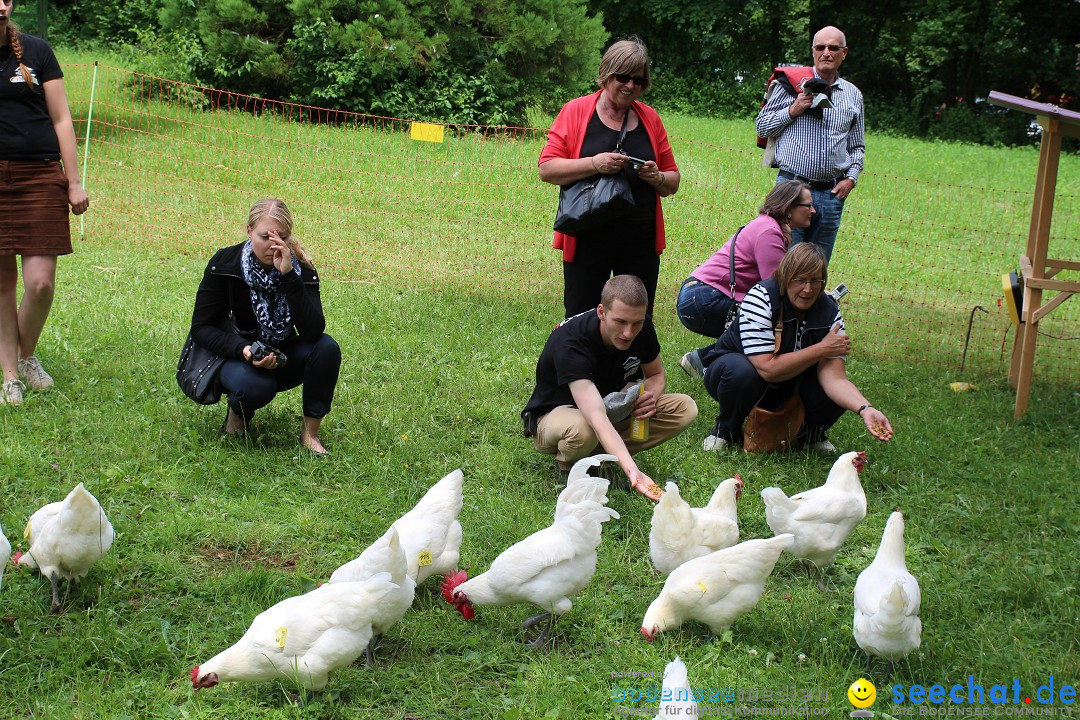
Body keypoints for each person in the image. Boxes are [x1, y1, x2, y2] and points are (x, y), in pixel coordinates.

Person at [699, 243, 892, 452]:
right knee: (741, 372)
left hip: (789, 382)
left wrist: (865, 409)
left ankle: (810, 434)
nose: (808, 289)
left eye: (815, 281)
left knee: (830, 391)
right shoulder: (762, 297)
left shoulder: (830, 313)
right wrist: (821, 349)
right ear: (785, 277)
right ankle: (726, 429)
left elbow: (836, 379)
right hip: (737, 375)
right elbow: (767, 369)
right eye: (799, 280)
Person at [521, 275, 698, 502]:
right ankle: (568, 463)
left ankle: (602, 457)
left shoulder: (641, 329)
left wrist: (650, 395)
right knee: (583, 429)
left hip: (608, 409)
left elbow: (656, 374)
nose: (628, 333)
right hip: (558, 416)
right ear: (602, 312)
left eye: (637, 323)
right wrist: (633, 470)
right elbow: (596, 416)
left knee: (684, 408)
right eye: (621, 322)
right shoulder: (571, 341)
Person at [538, 37, 681, 319]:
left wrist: (656, 177)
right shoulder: (576, 111)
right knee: (582, 318)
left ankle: (631, 365)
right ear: (606, 75)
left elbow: (672, 181)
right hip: (588, 233)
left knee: (636, 319)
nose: (630, 86)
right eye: (623, 77)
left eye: (638, 81)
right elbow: (547, 168)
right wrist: (595, 163)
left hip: (639, 238)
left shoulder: (651, 119)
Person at [189, 199, 340, 456]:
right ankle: (237, 414)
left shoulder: (300, 269)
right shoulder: (224, 264)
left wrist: (290, 278)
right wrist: (245, 349)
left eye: (280, 237)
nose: (273, 245)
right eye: (264, 236)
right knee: (258, 386)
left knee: (327, 348)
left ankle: (310, 434)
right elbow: (202, 327)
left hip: (281, 354)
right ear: (248, 231)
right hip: (236, 354)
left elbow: (313, 332)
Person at [0, 5, 90, 405]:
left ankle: (24, 355)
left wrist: (73, 182)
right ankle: (9, 375)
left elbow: (62, 120)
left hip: (39, 176)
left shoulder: (37, 52)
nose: (1, 5)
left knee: (40, 283)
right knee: (2, 285)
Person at [676, 180, 813, 380]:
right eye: (808, 205)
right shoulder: (769, 232)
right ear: (790, 207)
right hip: (703, 299)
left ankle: (703, 361)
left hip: (699, 295)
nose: (813, 210)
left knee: (765, 322)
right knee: (767, 323)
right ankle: (704, 361)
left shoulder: (768, 225)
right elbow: (778, 288)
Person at [755, 26, 864, 264]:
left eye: (833, 48)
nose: (827, 52)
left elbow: (857, 147)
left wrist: (851, 179)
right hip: (791, 190)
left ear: (843, 53)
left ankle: (812, 302)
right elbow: (762, 127)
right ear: (813, 51)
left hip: (831, 194)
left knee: (817, 266)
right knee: (785, 262)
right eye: (821, 47)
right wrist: (792, 110)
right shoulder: (790, 85)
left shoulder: (853, 95)